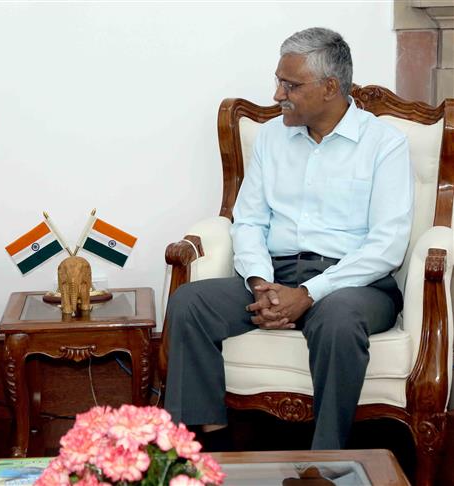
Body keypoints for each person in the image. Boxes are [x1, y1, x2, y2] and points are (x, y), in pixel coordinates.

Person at [164, 27, 413, 450]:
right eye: (279, 81)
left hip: (354, 283)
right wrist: (260, 283)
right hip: (276, 273)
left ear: (330, 87)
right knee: (191, 302)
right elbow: (249, 221)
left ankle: (327, 458)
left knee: (338, 320)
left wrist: (309, 293)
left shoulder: (383, 144)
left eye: (290, 84)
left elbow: (386, 245)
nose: (278, 93)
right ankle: (204, 447)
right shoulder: (272, 138)